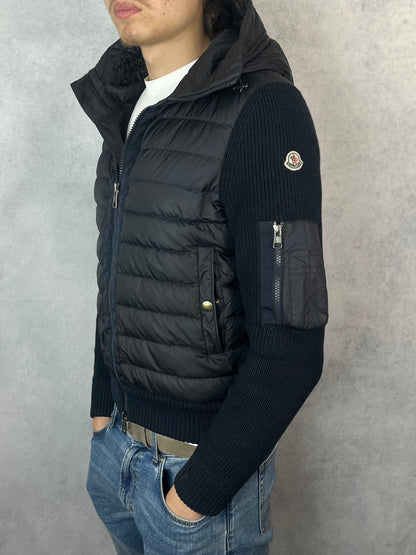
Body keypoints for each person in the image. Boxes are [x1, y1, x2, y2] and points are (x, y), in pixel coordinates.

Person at [71, 0, 329, 553]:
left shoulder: (264, 110)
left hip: (195, 483)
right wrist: (102, 415)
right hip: (118, 458)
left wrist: (192, 499)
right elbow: (119, 273)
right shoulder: (129, 105)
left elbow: (293, 341)